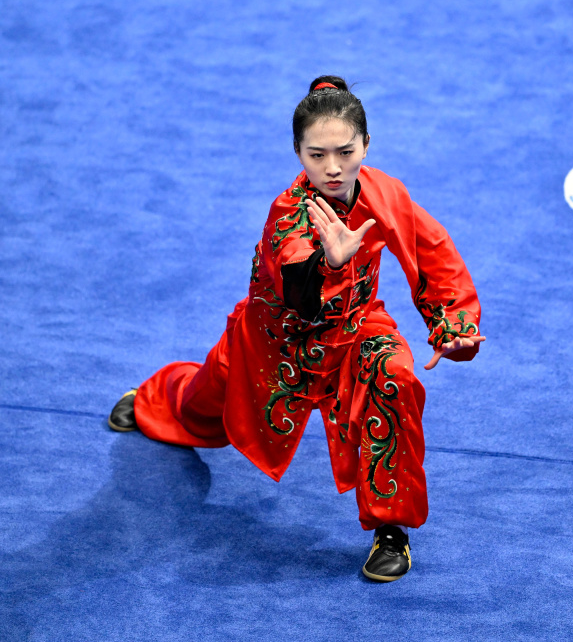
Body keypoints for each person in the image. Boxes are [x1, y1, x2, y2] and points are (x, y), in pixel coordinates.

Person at [107, 76, 484, 582]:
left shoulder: (386, 194)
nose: (333, 167)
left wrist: (453, 325)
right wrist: (329, 262)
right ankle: (157, 399)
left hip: (355, 331)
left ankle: (391, 531)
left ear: (366, 145)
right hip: (273, 345)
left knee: (394, 377)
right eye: (316, 155)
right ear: (298, 154)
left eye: (346, 151)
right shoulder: (288, 210)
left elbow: (432, 250)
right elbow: (293, 283)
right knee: (203, 403)